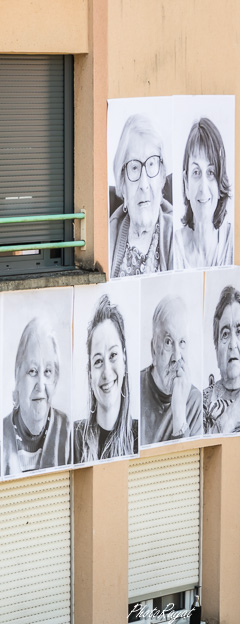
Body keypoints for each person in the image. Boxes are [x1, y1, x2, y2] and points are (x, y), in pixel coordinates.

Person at [1, 319, 72, 474]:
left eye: (47, 371)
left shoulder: (68, 431)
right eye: (32, 371)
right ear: (18, 376)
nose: (40, 385)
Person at [73, 295, 138, 462]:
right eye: (98, 361)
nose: (107, 373)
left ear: (124, 358)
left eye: (113, 355)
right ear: (89, 373)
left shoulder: (141, 437)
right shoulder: (73, 440)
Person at [109, 114, 175, 277]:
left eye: (151, 164)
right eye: (134, 167)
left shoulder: (176, 234)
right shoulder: (107, 237)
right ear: (122, 183)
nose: (144, 185)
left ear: (162, 177)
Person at [140, 295, 202, 444]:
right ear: (153, 350)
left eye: (182, 342)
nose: (177, 357)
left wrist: (179, 411)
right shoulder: (136, 388)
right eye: (168, 342)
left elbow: (190, 458)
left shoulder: (195, 401)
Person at [174, 117, 233, 268]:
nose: (203, 187)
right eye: (196, 172)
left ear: (220, 183)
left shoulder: (234, 242)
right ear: (186, 183)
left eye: (211, 172)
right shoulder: (172, 248)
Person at [204, 285, 240, 434]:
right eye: (225, 334)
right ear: (216, 349)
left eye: (239, 331)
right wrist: (231, 417)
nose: (233, 344)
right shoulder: (200, 402)